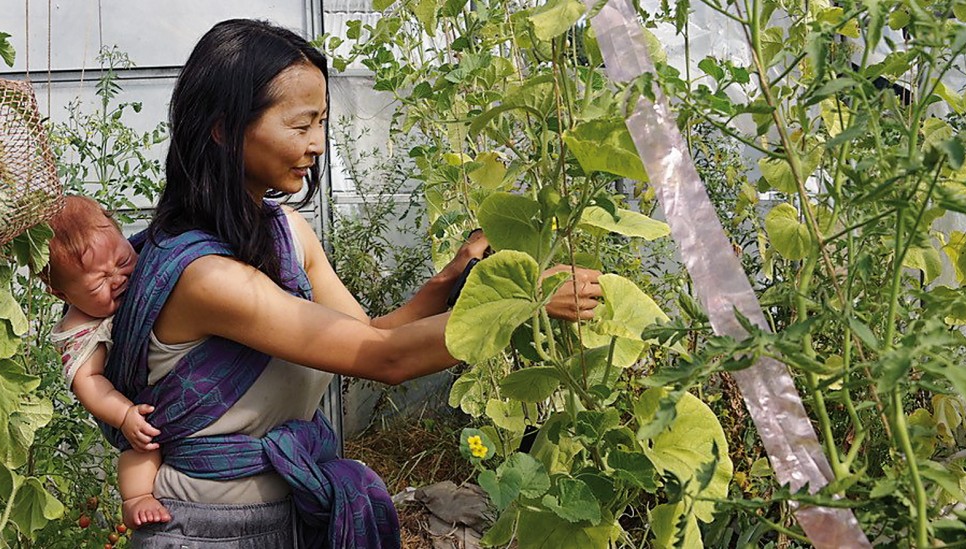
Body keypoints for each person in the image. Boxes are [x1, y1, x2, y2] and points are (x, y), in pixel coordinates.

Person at [102, 19, 604, 548]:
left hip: (290, 513)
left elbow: (365, 332)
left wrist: (452, 276)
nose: (317, 144)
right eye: (300, 126)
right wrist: (523, 305)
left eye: (321, 122)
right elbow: (383, 359)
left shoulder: (287, 233)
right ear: (224, 129)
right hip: (205, 531)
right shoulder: (207, 278)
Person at [42, 196, 171, 528]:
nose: (118, 278)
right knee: (138, 448)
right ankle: (135, 499)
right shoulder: (79, 329)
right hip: (126, 402)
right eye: (99, 282)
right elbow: (89, 382)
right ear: (63, 295)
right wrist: (124, 414)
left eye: (123, 258)